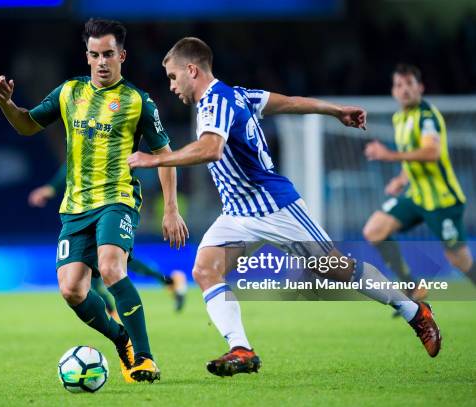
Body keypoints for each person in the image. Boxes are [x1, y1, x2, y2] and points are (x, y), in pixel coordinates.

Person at [128, 37, 441, 377]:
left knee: (334, 267)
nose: (171, 86)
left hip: (274, 206)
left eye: (174, 77)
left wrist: (151, 158)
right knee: (205, 269)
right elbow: (290, 103)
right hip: (237, 213)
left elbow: (210, 149)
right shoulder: (241, 94)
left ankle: (414, 312)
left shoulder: (213, 104)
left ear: (192, 70)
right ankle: (241, 348)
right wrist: (335, 110)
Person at [0, 19, 189, 383]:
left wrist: (171, 209)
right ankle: (122, 339)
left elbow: (165, 154)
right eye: (95, 55)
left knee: (112, 267)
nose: (101, 62)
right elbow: (27, 125)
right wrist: (7, 105)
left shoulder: (137, 101)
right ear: (86, 55)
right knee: (72, 290)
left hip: (117, 199)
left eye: (109, 54)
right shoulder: (68, 93)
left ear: (122, 56)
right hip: (75, 207)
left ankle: (145, 358)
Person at [363, 64, 476, 304]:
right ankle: (412, 289)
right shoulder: (399, 118)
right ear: (393, 91)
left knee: (459, 260)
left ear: (420, 88)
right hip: (416, 196)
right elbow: (412, 153)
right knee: (374, 230)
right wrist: (401, 179)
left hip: (442, 200)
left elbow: (430, 152)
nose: (404, 90)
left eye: (409, 85)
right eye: (399, 85)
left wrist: (388, 155)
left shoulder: (427, 116)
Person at [28, 164, 188, 313]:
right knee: (110, 263)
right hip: (91, 210)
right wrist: (52, 188)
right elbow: (72, 164)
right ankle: (168, 283)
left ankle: (117, 319)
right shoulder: (85, 145)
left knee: (110, 263)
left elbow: (74, 164)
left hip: (112, 208)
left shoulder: (105, 144)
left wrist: (51, 188)